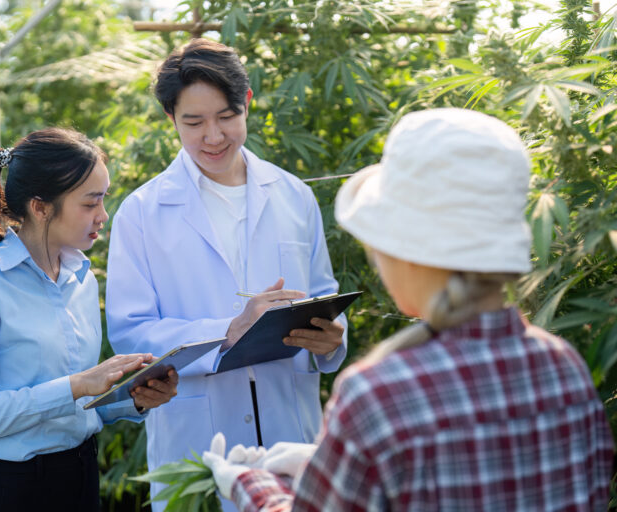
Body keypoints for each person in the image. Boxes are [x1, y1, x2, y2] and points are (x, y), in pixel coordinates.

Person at [202, 108, 615, 511]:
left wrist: (251, 485)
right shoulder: (563, 366)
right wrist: (334, 466)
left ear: (412, 252)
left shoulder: (378, 397)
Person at [105, 39, 347, 511]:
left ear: (248, 102)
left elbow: (325, 295)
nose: (213, 136)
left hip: (290, 437)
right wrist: (228, 330)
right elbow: (131, 335)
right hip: (196, 441)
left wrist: (334, 341)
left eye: (226, 116)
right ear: (169, 118)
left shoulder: (294, 196)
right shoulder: (141, 213)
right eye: (193, 122)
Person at [0, 128, 178, 512]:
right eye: (90, 203)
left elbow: (82, 404)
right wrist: (77, 384)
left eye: (104, 200)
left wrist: (134, 399)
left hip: (81, 479)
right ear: (40, 207)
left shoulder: (81, 278)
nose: (103, 215)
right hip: (11, 493)